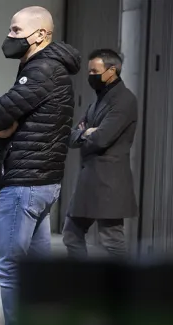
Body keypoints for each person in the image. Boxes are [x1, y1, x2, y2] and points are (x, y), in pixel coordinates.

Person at [0, 6, 80, 325]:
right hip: (43, 182)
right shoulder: (51, 68)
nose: (11, 34)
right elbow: (3, 126)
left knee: (11, 270)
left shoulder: (41, 69)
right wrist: (2, 129)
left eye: (17, 29)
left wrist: (1, 125)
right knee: (36, 274)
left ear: (40, 35)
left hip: (25, 184)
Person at [62, 48, 138, 259]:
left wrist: (85, 134)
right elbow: (72, 136)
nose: (90, 76)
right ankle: (82, 283)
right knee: (71, 234)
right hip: (89, 179)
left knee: (112, 240)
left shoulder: (124, 100)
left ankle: (120, 288)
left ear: (111, 70)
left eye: (95, 71)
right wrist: (86, 132)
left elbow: (103, 138)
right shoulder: (97, 101)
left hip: (109, 182)